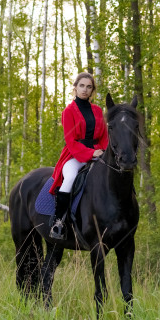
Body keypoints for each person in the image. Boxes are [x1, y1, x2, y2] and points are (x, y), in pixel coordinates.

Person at [48, 72, 109, 239]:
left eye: (89, 87)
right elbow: (71, 141)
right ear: (75, 88)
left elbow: (104, 136)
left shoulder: (97, 111)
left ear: (92, 90)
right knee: (70, 178)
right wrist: (90, 153)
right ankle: (58, 223)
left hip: (98, 153)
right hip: (74, 155)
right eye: (82, 86)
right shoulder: (68, 111)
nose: (85, 90)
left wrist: (103, 151)